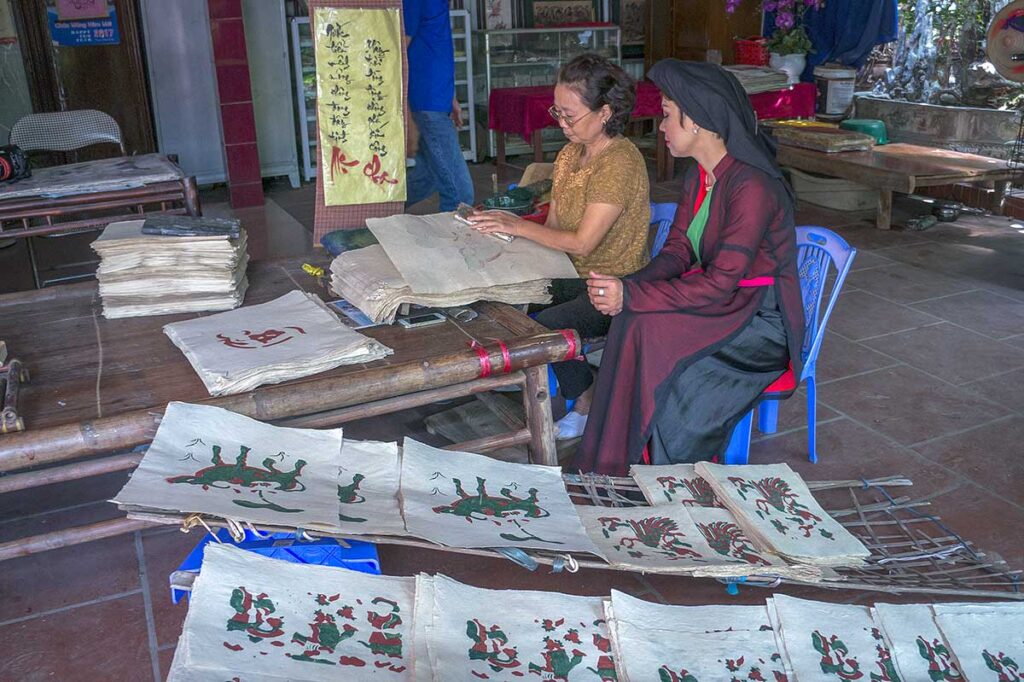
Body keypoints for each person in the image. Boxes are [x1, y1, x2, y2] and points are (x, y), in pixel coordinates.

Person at [572, 59, 806, 476]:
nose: (661, 126)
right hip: (723, 301)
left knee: (654, 334)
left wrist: (632, 294)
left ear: (696, 120)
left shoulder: (752, 186)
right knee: (632, 319)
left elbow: (720, 283)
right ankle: (614, 463)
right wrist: (624, 286)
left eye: (667, 115)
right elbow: (677, 253)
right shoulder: (699, 176)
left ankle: (665, 473)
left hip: (759, 321)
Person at [469, 54, 650, 440]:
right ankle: (525, 370)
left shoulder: (620, 162)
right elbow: (553, 228)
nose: (561, 123)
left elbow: (583, 242)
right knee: (498, 299)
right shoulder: (570, 155)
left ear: (605, 113)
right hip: (570, 272)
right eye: (557, 112)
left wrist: (518, 226)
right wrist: (511, 245)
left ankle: (585, 399)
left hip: (613, 286)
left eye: (570, 115)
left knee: (545, 325)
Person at [403, 0, 474, 211]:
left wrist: (450, 97)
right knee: (460, 194)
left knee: (428, 177)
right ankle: (452, 240)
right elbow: (398, 53)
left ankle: (376, 211)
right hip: (426, 102)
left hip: (436, 100)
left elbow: (435, 46)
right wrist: (406, 115)